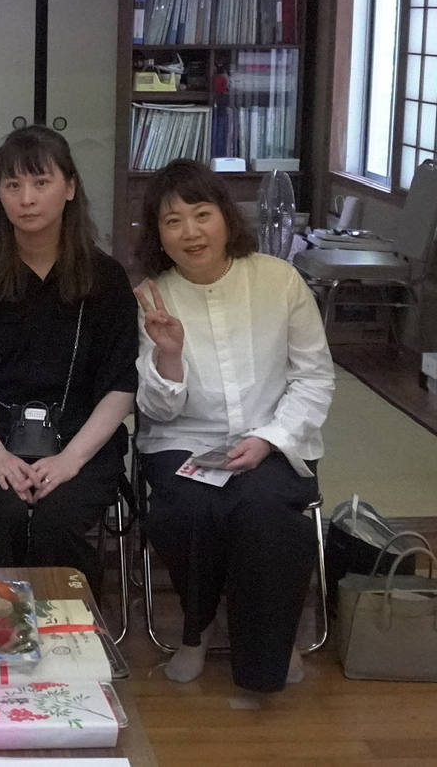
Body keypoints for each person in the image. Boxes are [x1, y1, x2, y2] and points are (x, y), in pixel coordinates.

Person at [132, 158, 334, 693]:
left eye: (202, 214)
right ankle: (196, 631)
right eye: (173, 221)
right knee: (186, 509)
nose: (190, 232)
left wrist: (269, 439)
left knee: (264, 508)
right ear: (158, 233)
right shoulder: (153, 298)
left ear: (226, 216)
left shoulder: (280, 280)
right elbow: (157, 411)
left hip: (275, 436)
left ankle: (273, 644)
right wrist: (168, 353)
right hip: (183, 440)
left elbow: (314, 377)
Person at [0, 125, 136, 594]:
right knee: (4, 515)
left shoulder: (106, 278)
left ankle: (68, 626)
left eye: (41, 182)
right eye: (12, 185)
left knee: (58, 521)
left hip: (81, 440)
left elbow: (121, 385)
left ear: (70, 187)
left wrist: (70, 460)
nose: (27, 199)